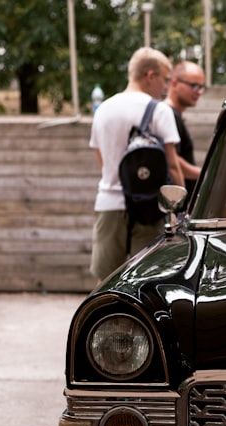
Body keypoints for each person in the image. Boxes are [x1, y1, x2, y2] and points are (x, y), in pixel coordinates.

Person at [88, 47, 184, 282]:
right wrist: (182, 207)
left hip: (109, 205)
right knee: (148, 282)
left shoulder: (103, 110)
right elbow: (172, 166)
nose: (165, 87)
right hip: (149, 208)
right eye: (164, 79)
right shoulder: (160, 111)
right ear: (150, 75)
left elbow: (103, 163)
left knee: (106, 283)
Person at [165, 60, 206, 196]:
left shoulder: (173, 114)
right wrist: (207, 174)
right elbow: (173, 159)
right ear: (174, 83)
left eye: (201, 87)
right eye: (194, 86)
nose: (199, 92)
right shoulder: (167, 113)